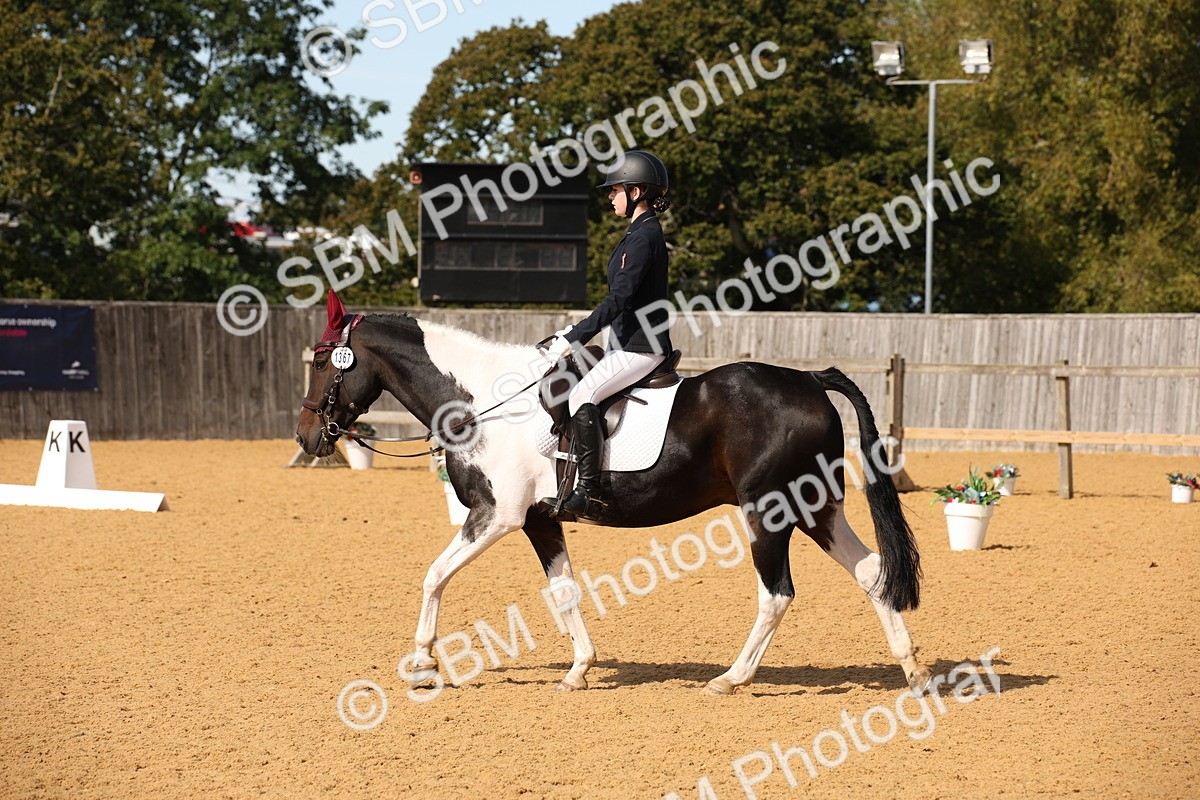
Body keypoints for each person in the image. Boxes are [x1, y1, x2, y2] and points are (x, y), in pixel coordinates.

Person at [540, 150, 674, 519]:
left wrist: (574, 337)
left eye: (614, 190)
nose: (609, 196)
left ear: (635, 192)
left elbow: (619, 299)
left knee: (583, 393)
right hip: (626, 342)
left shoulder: (644, 237)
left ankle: (589, 491)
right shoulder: (637, 234)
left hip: (640, 346)